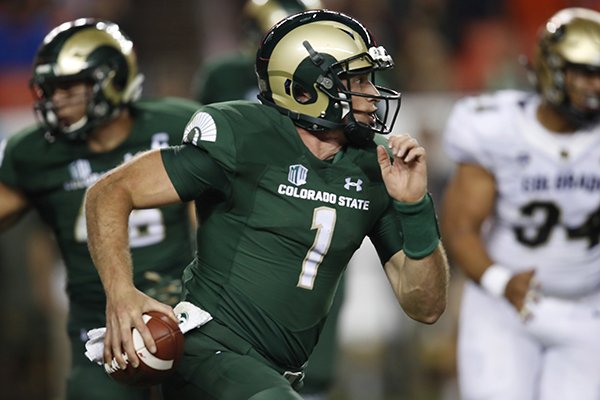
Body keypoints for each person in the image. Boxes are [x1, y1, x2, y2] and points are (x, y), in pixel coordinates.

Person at [85, 9, 449, 400]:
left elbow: (425, 306)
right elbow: (108, 192)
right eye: (357, 80)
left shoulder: (376, 167)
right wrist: (121, 293)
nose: (373, 94)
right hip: (210, 353)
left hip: (281, 375)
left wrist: (415, 207)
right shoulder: (245, 136)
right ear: (305, 89)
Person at [0, 18, 201, 400]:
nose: (56, 101)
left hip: (182, 312)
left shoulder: (176, 124)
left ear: (112, 79)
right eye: (50, 90)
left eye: (68, 89)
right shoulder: (34, 152)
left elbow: (213, 216)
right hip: (98, 329)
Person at [441, 7, 600, 400]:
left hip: (587, 308)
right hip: (505, 307)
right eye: (583, 72)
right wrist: (500, 281)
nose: (594, 85)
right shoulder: (497, 128)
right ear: (551, 69)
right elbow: (460, 227)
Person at [194, 1, 342, 398]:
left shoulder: (338, 83)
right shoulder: (224, 78)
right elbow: (203, 163)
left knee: (310, 353)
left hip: (314, 210)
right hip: (248, 212)